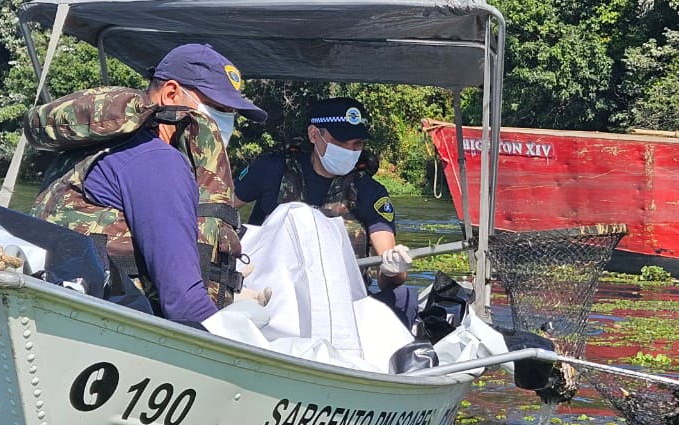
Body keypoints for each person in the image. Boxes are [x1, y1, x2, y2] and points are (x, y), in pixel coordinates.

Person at [30, 44, 267, 326]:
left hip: (53, 309)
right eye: (218, 108)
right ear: (170, 94)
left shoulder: (92, 149)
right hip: (110, 326)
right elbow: (185, 306)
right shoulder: (159, 161)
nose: (224, 123)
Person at [234, 97, 418, 327]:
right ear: (314, 135)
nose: (350, 151)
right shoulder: (273, 169)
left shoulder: (369, 191)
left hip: (342, 305)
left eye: (357, 144)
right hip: (270, 297)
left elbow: (388, 272)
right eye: (341, 142)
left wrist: (394, 268)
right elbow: (219, 208)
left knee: (404, 298)